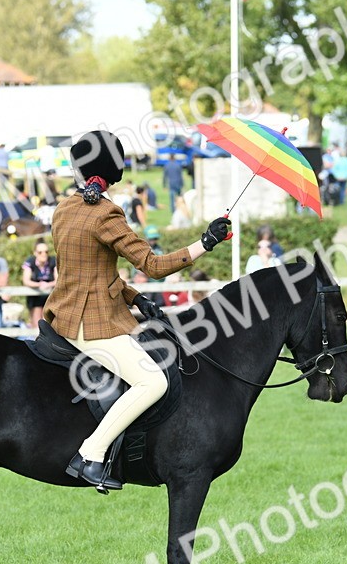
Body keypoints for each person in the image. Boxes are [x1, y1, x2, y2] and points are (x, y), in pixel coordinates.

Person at [45, 129, 230, 492]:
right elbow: (153, 265)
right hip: (90, 321)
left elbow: (86, 270)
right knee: (153, 381)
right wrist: (205, 243)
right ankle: (90, 454)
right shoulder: (106, 213)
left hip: (64, 312)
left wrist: (132, 297)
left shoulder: (64, 207)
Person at [21, 238, 57, 327]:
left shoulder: (53, 261)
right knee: (36, 324)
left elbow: (58, 280)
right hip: (35, 297)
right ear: (35, 253)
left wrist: (48, 284)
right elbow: (26, 281)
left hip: (50, 297)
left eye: (46, 252)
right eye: (40, 252)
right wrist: (40, 284)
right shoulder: (30, 262)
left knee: (49, 325)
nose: (44, 254)